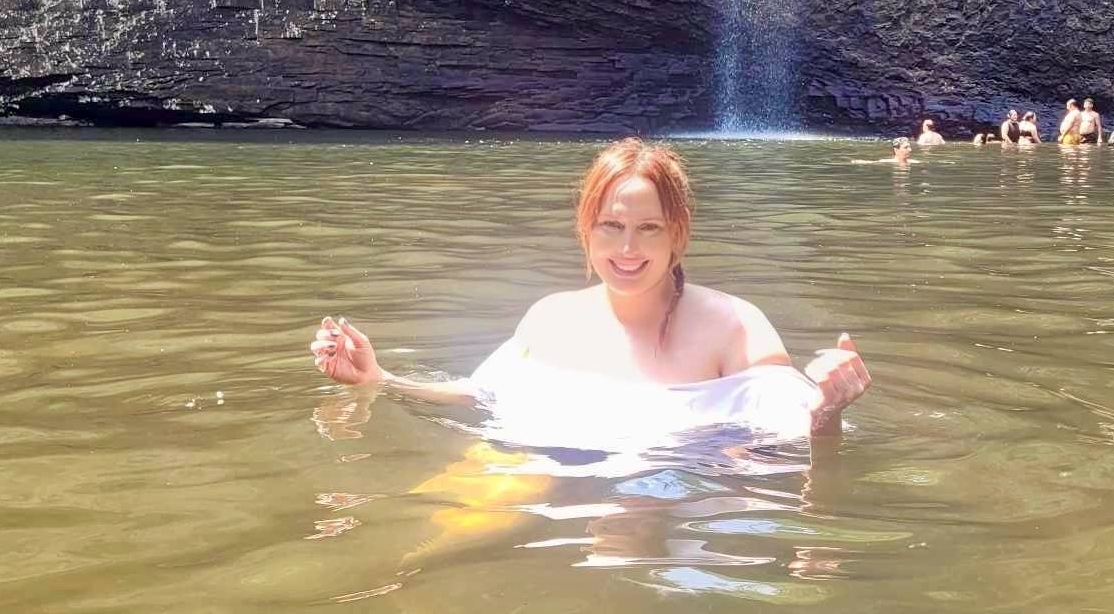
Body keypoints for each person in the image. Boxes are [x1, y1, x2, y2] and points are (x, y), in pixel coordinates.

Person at [310, 137, 871, 444]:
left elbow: (787, 448)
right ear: (586, 230)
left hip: (678, 501)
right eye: (611, 226)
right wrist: (379, 380)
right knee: (436, 529)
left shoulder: (735, 325)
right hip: (544, 480)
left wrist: (828, 415)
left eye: (648, 228)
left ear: (677, 235)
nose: (628, 249)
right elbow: (482, 398)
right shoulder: (551, 318)